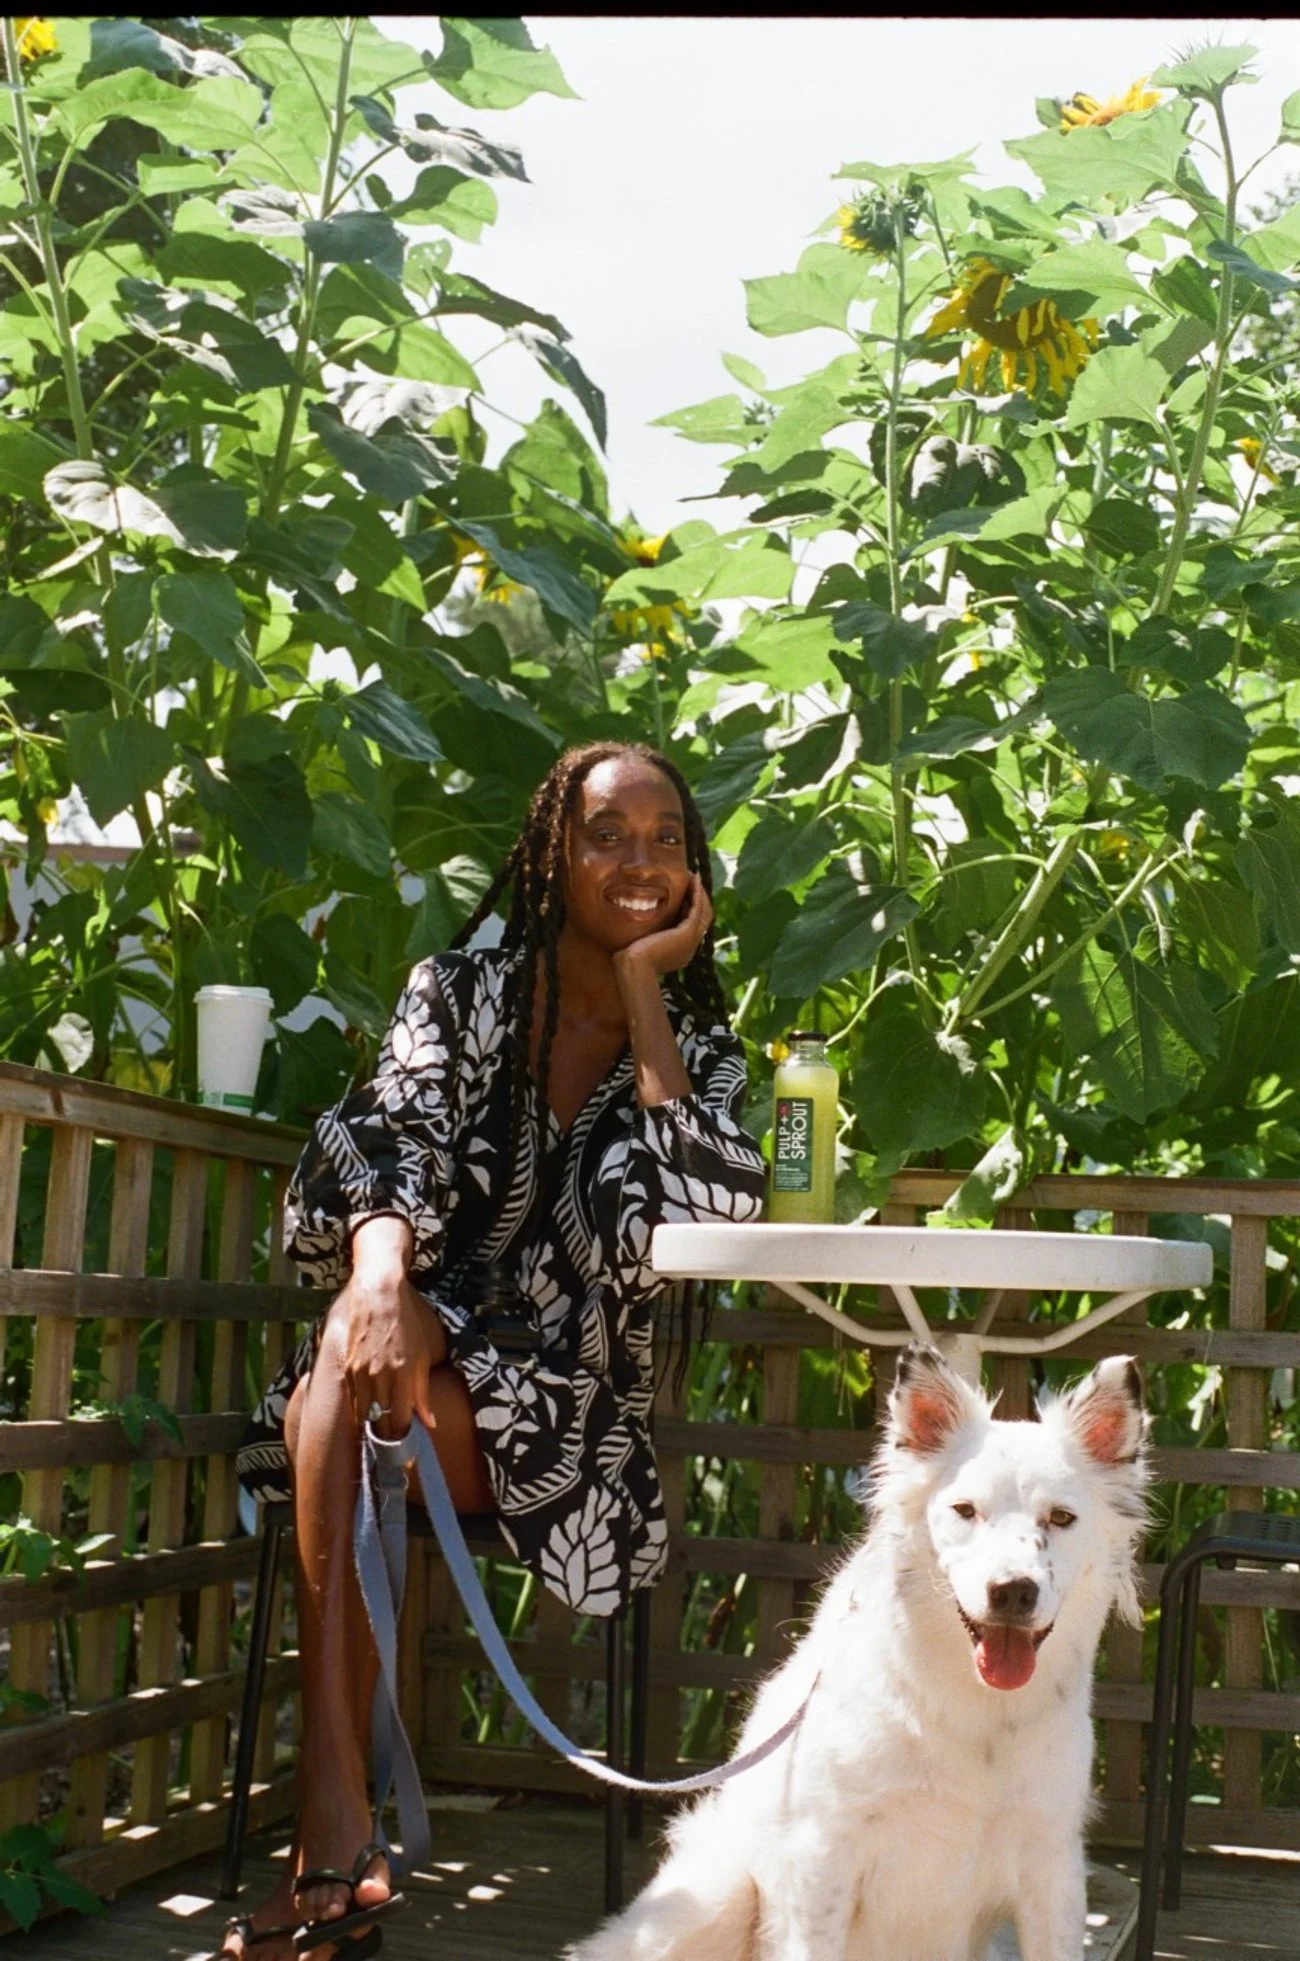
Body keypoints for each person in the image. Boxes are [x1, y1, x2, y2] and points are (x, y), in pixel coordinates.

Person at [218, 741, 767, 1960]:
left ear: (693, 869)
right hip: (397, 1352)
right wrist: (378, 1277)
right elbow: (379, 1136)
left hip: (573, 1416)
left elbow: (716, 1214)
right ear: (549, 852)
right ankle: (338, 1812)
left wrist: (642, 988)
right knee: (353, 1360)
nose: (637, 860)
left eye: (664, 837)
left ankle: (330, 1821)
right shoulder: (458, 993)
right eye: (604, 833)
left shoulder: (701, 1052)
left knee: (340, 1386)